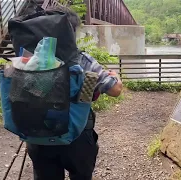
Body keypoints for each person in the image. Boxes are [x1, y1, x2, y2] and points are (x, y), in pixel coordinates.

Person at [26, 6, 123, 180]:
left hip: (39, 136)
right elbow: (115, 90)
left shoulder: (31, 60)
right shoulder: (81, 60)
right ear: (71, 32)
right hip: (76, 136)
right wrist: (116, 77)